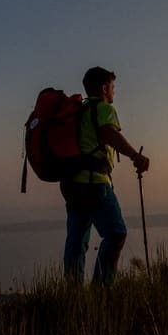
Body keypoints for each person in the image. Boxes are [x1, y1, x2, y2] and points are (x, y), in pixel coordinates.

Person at [60, 66, 150, 286]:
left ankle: (72, 294)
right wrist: (135, 156)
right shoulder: (103, 108)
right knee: (116, 233)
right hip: (95, 183)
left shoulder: (78, 111)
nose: (114, 90)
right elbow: (110, 134)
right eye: (112, 86)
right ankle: (102, 290)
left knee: (77, 240)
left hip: (72, 184)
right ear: (103, 88)